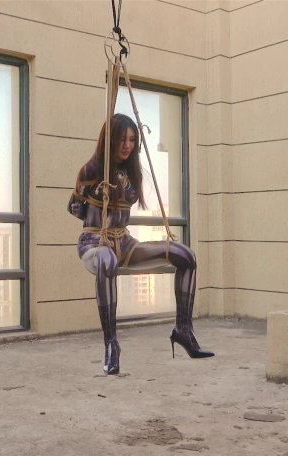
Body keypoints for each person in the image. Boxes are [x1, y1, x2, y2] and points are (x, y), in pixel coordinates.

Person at [68, 113, 213, 375]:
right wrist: (99, 220)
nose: (127, 145)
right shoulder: (92, 169)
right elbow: (74, 208)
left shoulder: (132, 172)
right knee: (107, 260)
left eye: (132, 140)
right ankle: (111, 345)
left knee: (186, 255)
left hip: (125, 242)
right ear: (110, 140)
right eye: (122, 140)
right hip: (94, 243)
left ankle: (183, 329)